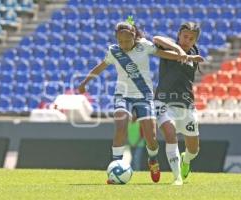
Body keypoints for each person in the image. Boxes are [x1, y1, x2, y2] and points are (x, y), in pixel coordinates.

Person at [78, 18, 198, 184]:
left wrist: (183, 56)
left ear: (134, 37)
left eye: (127, 41)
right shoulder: (114, 51)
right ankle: (115, 165)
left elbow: (163, 54)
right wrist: (84, 83)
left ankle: (153, 159)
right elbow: (100, 67)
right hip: (123, 95)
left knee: (151, 138)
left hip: (144, 96)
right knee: (121, 126)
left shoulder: (144, 46)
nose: (124, 44)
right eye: (120, 41)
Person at [153, 22, 204, 185]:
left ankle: (186, 160)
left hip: (186, 105)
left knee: (194, 150)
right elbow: (156, 38)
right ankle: (177, 178)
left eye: (191, 38)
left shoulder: (195, 54)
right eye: (185, 36)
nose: (187, 40)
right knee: (170, 134)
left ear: (195, 40)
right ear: (179, 35)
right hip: (164, 102)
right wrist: (179, 50)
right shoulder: (170, 48)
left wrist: (187, 55)